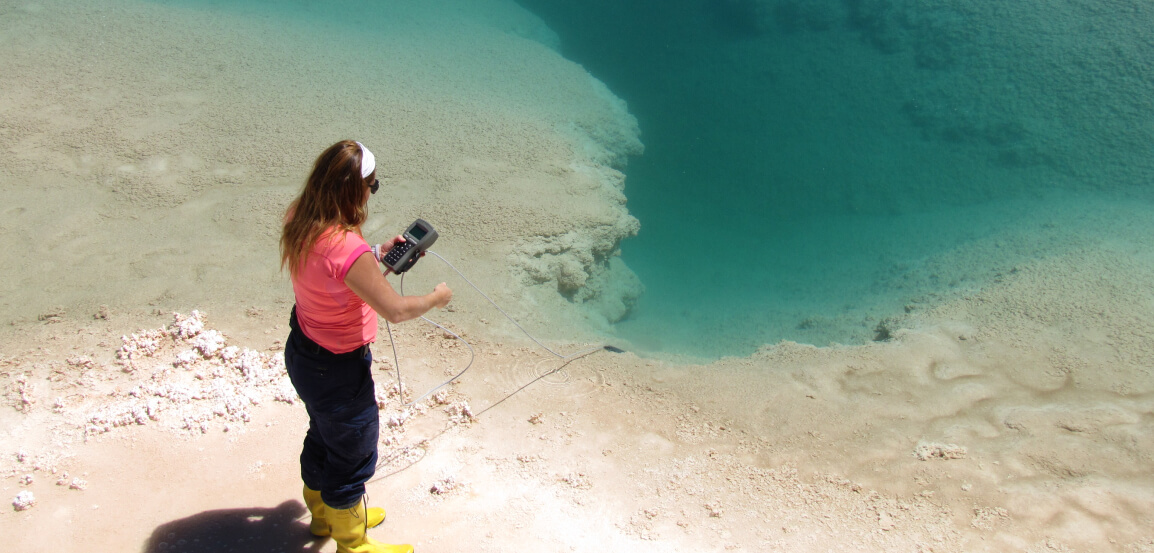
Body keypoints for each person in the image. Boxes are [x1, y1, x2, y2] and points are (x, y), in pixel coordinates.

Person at [280, 140, 452, 553]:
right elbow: (394, 310)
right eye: (372, 186)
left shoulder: (299, 216)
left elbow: (335, 271)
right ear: (353, 189)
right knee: (353, 452)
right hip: (338, 369)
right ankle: (352, 542)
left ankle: (323, 518)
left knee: (323, 434)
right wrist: (435, 298)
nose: (371, 192)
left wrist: (375, 253)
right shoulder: (346, 249)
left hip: (303, 350)